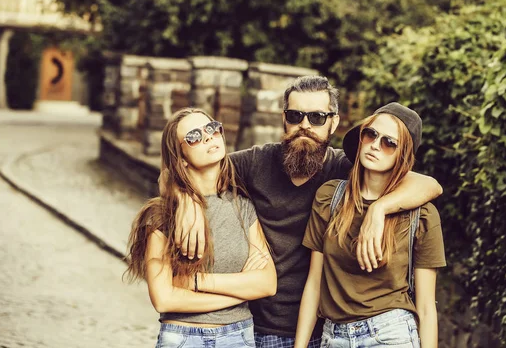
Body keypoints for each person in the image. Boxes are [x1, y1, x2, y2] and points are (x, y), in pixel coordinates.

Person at [174, 76, 443, 347]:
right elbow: (182, 168)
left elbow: (429, 184)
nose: (305, 125)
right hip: (252, 325)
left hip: (322, 331)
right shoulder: (255, 163)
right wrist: (187, 201)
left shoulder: (347, 169)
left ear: (334, 122)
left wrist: (380, 209)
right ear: (284, 118)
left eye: (316, 117)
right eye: (295, 115)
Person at [295, 103, 446, 348]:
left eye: (389, 143)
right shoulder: (330, 198)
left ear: (402, 155)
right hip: (334, 336)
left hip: (391, 333)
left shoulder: (422, 214)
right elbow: (314, 283)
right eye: (371, 134)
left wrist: (379, 209)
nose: (376, 145)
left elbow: (427, 306)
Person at [124, 108, 277, 348]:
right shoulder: (161, 215)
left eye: (211, 128)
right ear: (180, 156)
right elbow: (164, 300)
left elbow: (267, 283)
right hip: (183, 337)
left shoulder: (242, 206)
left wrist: (195, 282)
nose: (208, 137)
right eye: (194, 136)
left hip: (238, 337)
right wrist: (239, 292)